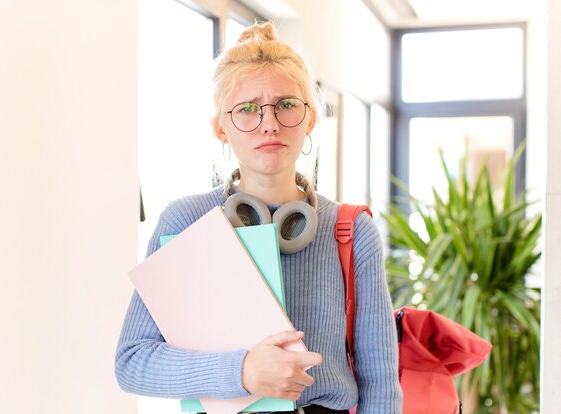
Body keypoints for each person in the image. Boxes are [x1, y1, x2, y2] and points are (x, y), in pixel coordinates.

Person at [115, 21, 402, 414]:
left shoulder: (350, 230)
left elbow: (382, 384)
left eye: (286, 105)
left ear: (310, 120)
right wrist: (242, 370)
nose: (269, 123)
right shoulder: (185, 221)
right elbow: (133, 363)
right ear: (221, 129)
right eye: (248, 109)